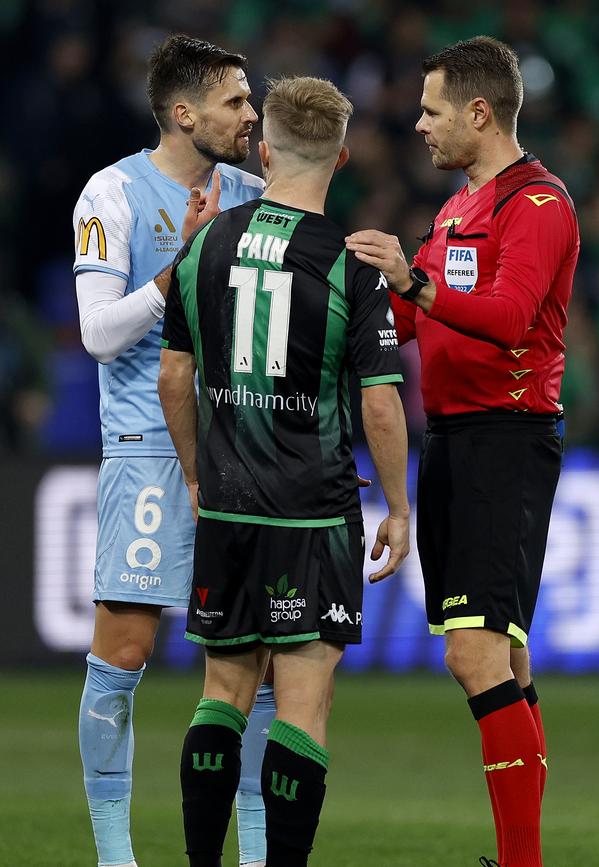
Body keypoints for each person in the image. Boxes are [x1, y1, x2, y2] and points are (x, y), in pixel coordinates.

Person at [158, 75, 410, 867]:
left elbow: (173, 376)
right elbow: (379, 405)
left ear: (265, 151)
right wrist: (398, 507)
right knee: (304, 703)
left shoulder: (202, 244)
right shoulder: (352, 264)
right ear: (338, 159)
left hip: (229, 508)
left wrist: (199, 478)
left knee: (222, 693)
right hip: (312, 512)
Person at [346, 36, 579, 867]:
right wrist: (347, 311)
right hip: (451, 440)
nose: (418, 125)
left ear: (480, 113)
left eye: (433, 109)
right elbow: (411, 322)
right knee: (505, 655)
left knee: (471, 651)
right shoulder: (454, 211)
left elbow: (512, 315)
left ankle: (522, 863)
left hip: (504, 442)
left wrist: (413, 282)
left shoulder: (541, 205)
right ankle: (526, 857)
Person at [73, 34, 274, 867]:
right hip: (147, 447)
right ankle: (117, 857)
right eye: (235, 100)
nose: (251, 111)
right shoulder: (109, 193)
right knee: (125, 649)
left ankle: (261, 851)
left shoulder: (258, 193)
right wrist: (178, 269)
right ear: (184, 112)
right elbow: (94, 333)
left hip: (245, 451)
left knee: (252, 659)